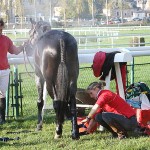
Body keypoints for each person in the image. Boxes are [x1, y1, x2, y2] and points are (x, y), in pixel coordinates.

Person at [0, 18, 25, 124]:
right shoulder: (5, 39)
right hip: (4, 70)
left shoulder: (6, 39)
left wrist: (23, 46)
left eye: (1, 27)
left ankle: (2, 119)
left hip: (4, 71)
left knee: (2, 94)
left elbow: (15, 51)